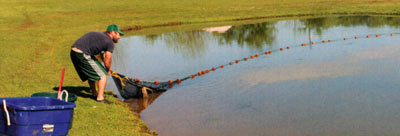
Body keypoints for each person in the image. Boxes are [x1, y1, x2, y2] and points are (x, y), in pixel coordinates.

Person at [70, 24, 124, 104]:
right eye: (119, 34)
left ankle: (95, 94)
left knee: (92, 73)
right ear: (112, 32)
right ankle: (100, 98)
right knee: (103, 75)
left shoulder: (102, 37)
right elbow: (108, 59)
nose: (120, 37)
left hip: (74, 52)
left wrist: (105, 67)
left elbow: (102, 54)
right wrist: (108, 69)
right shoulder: (109, 42)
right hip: (82, 53)